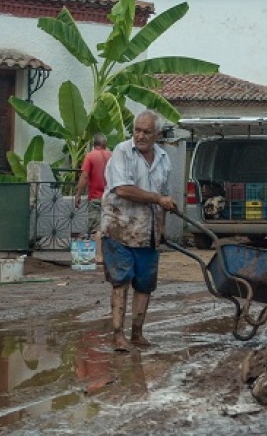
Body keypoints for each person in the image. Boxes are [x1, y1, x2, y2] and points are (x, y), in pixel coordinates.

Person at [101, 110, 176, 352]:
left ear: (157, 134)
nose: (141, 136)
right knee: (121, 281)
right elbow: (122, 189)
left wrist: (162, 228)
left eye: (147, 132)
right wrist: (157, 198)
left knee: (145, 284)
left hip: (148, 233)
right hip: (119, 228)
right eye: (137, 130)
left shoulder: (164, 159)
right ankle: (117, 335)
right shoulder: (122, 152)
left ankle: (137, 334)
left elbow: (164, 197)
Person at [73, 133, 111, 263]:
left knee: (97, 229)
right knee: (109, 227)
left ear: (94, 144)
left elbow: (84, 176)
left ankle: (99, 256)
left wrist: (78, 194)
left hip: (96, 197)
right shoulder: (111, 155)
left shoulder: (90, 156)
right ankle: (110, 256)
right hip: (111, 197)